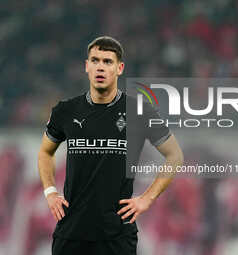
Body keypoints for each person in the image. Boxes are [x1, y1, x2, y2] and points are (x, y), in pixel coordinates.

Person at [38, 36, 184, 255]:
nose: (100, 67)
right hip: (71, 234)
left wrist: (147, 199)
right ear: (86, 66)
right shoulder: (65, 111)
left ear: (120, 68)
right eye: (95, 60)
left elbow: (175, 156)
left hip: (117, 237)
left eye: (107, 62)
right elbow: (45, 152)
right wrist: (50, 191)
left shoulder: (139, 111)